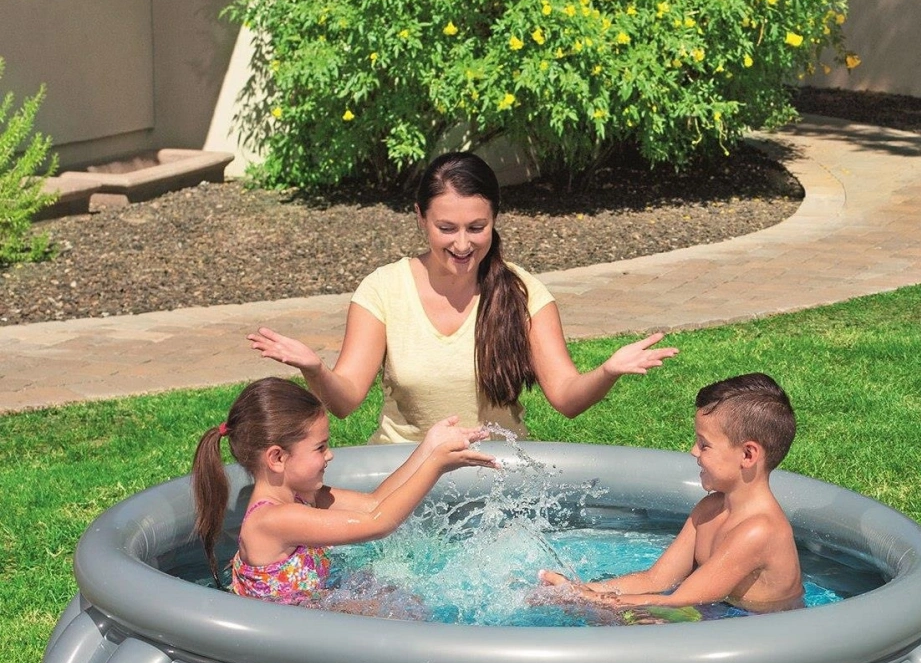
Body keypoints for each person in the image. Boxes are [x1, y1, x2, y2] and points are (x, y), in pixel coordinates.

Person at [247, 150, 678, 444]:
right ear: (420, 218)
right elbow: (344, 402)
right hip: (405, 476)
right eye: (446, 228)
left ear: (494, 218)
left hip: (496, 479)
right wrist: (315, 368)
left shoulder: (522, 292)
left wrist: (607, 371)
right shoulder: (384, 289)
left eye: (476, 228)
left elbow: (566, 397)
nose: (462, 244)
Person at [190, 376, 496, 605]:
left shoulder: (303, 498)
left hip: (314, 610)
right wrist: (436, 466)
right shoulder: (273, 520)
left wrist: (428, 448)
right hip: (289, 642)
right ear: (277, 458)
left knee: (405, 599)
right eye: (320, 447)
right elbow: (378, 524)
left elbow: (374, 504)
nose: (330, 455)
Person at [540, 373, 804, 615]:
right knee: (606, 616)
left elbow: (677, 601)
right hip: (719, 616)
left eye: (704, 445)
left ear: (747, 454)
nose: (693, 451)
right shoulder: (709, 509)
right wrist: (578, 589)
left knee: (616, 618)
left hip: (760, 630)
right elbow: (655, 580)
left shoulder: (760, 531)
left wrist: (585, 599)